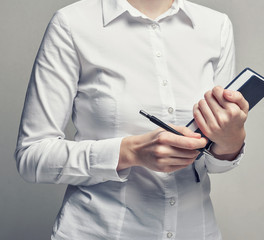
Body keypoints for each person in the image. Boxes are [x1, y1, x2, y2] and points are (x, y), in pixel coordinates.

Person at [15, 0, 249, 239]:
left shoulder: (216, 25)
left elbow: (211, 163)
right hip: (99, 231)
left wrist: (230, 143)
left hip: (197, 231)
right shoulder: (72, 23)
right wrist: (129, 152)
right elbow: (32, 156)